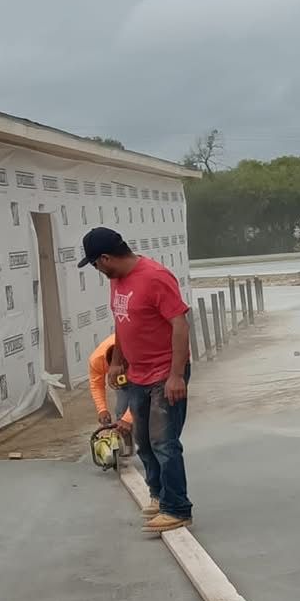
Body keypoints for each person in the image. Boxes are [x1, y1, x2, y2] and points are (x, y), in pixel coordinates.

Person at [79, 227, 193, 532]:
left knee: (164, 442)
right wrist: (118, 361)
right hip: (137, 373)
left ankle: (177, 508)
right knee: (143, 440)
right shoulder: (117, 280)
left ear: (105, 258)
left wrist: (176, 375)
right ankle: (158, 495)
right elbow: (122, 320)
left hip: (164, 374)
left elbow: (180, 325)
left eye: (95, 264)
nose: (97, 270)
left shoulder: (155, 277)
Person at [87, 335, 133, 455]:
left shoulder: (136, 352)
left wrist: (128, 419)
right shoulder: (96, 360)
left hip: (146, 373)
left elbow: (142, 395)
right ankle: (126, 448)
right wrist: (102, 410)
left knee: (145, 409)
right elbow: (96, 386)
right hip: (127, 372)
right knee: (121, 412)